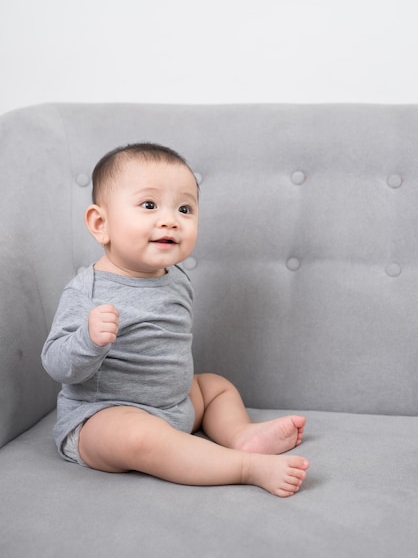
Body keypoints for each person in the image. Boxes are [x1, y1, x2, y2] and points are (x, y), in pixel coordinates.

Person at [41, 142, 309, 497]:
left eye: (185, 208)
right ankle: (244, 467)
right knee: (138, 436)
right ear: (100, 223)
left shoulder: (176, 276)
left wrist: (184, 401)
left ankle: (242, 436)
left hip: (177, 405)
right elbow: (56, 364)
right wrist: (87, 340)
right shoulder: (87, 291)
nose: (170, 219)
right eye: (149, 205)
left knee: (216, 387)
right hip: (102, 417)